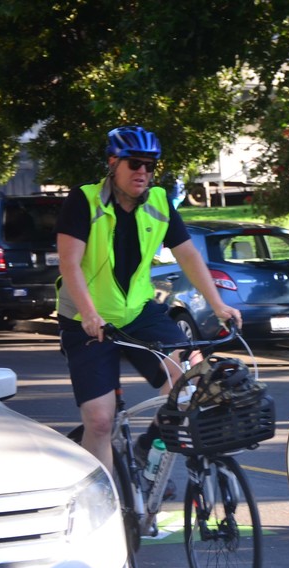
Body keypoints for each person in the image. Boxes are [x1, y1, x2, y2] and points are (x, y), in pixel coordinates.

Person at [55, 125, 242, 479]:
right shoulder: (84, 201)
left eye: (151, 165)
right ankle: (108, 503)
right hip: (86, 319)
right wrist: (90, 314)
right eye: (134, 163)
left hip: (139, 311)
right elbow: (70, 263)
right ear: (113, 164)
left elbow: (188, 255)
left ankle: (149, 447)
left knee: (190, 382)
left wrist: (218, 305)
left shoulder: (158, 203)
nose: (143, 171)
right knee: (99, 422)